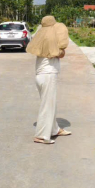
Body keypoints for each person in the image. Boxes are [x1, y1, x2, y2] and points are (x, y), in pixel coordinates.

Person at [26, 16, 71, 144]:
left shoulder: (41, 37)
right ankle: (41, 135)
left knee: (50, 104)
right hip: (48, 75)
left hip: (40, 75)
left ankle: (54, 129)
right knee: (47, 106)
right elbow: (60, 54)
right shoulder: (52, 38)